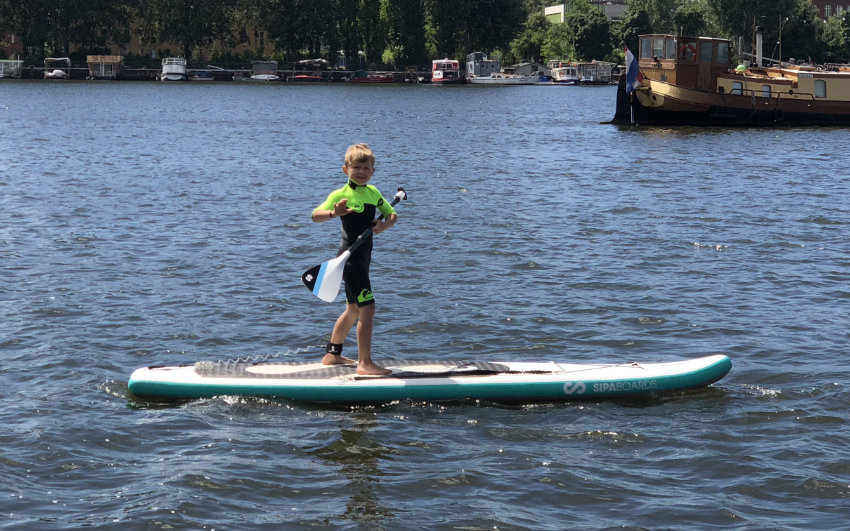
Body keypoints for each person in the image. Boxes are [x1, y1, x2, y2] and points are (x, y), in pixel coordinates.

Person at [311, 143, 397, 375]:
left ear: (373, 171)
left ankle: (332, 355)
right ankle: (365, 363)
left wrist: (384, 225)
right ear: (345, 169)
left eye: (366, 168)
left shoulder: (374, 193)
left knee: (353, 309)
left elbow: (392, 214)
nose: (361, 172)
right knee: (368, 309)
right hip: (350, 259)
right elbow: (315, 216)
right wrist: (333, 213)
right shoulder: (341, 194)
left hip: (364, 258)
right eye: (356, 167)